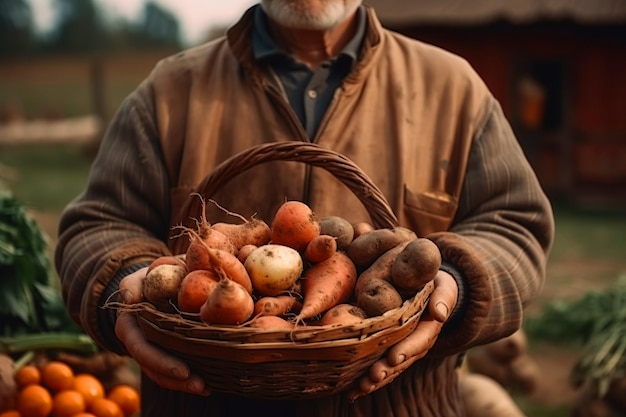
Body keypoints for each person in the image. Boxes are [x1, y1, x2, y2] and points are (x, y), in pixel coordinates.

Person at [54, 1, 555, 416]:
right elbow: (96, 226)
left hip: (402, 403)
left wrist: (458, 283)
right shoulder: (170, 91)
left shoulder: (453, 89)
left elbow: (515, 225)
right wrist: (135, 284)